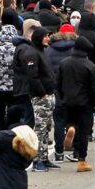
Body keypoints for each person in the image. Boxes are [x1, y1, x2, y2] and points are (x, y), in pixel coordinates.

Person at [57, 35, 95, 172]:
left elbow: (58, 83)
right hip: (84, 102)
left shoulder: (64, 63)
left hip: (67, 100)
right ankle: (81, 160)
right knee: (84, 131)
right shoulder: (90, 66)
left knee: (71, 122)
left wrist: (62, 97)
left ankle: (70, 128)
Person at [16, 25, 56, 171]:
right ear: (39, 38)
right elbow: (32, 76)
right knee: (40, 128)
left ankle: (44, 158)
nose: (48, 38)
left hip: (48, 94)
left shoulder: (42, 52)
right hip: (40, 96)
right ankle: (38, 160)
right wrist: (42, 93)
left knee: (46, 128)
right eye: (46, 36)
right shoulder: (31, 54)